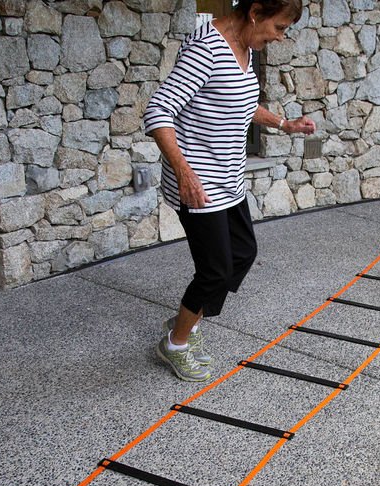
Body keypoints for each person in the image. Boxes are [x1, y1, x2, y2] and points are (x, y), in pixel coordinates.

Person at [143, 0, 316, 382]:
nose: (280, 37)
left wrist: (284, 124)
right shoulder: (207, 48)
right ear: (256, 12)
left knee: (242, 253)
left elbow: (240, 102)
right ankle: (175, 343)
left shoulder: (245, 47)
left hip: (229, 179)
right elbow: (158, 112)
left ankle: (189, 318)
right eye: (280, 27)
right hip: (199, 185)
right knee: (215, 271)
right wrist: (185, 173)